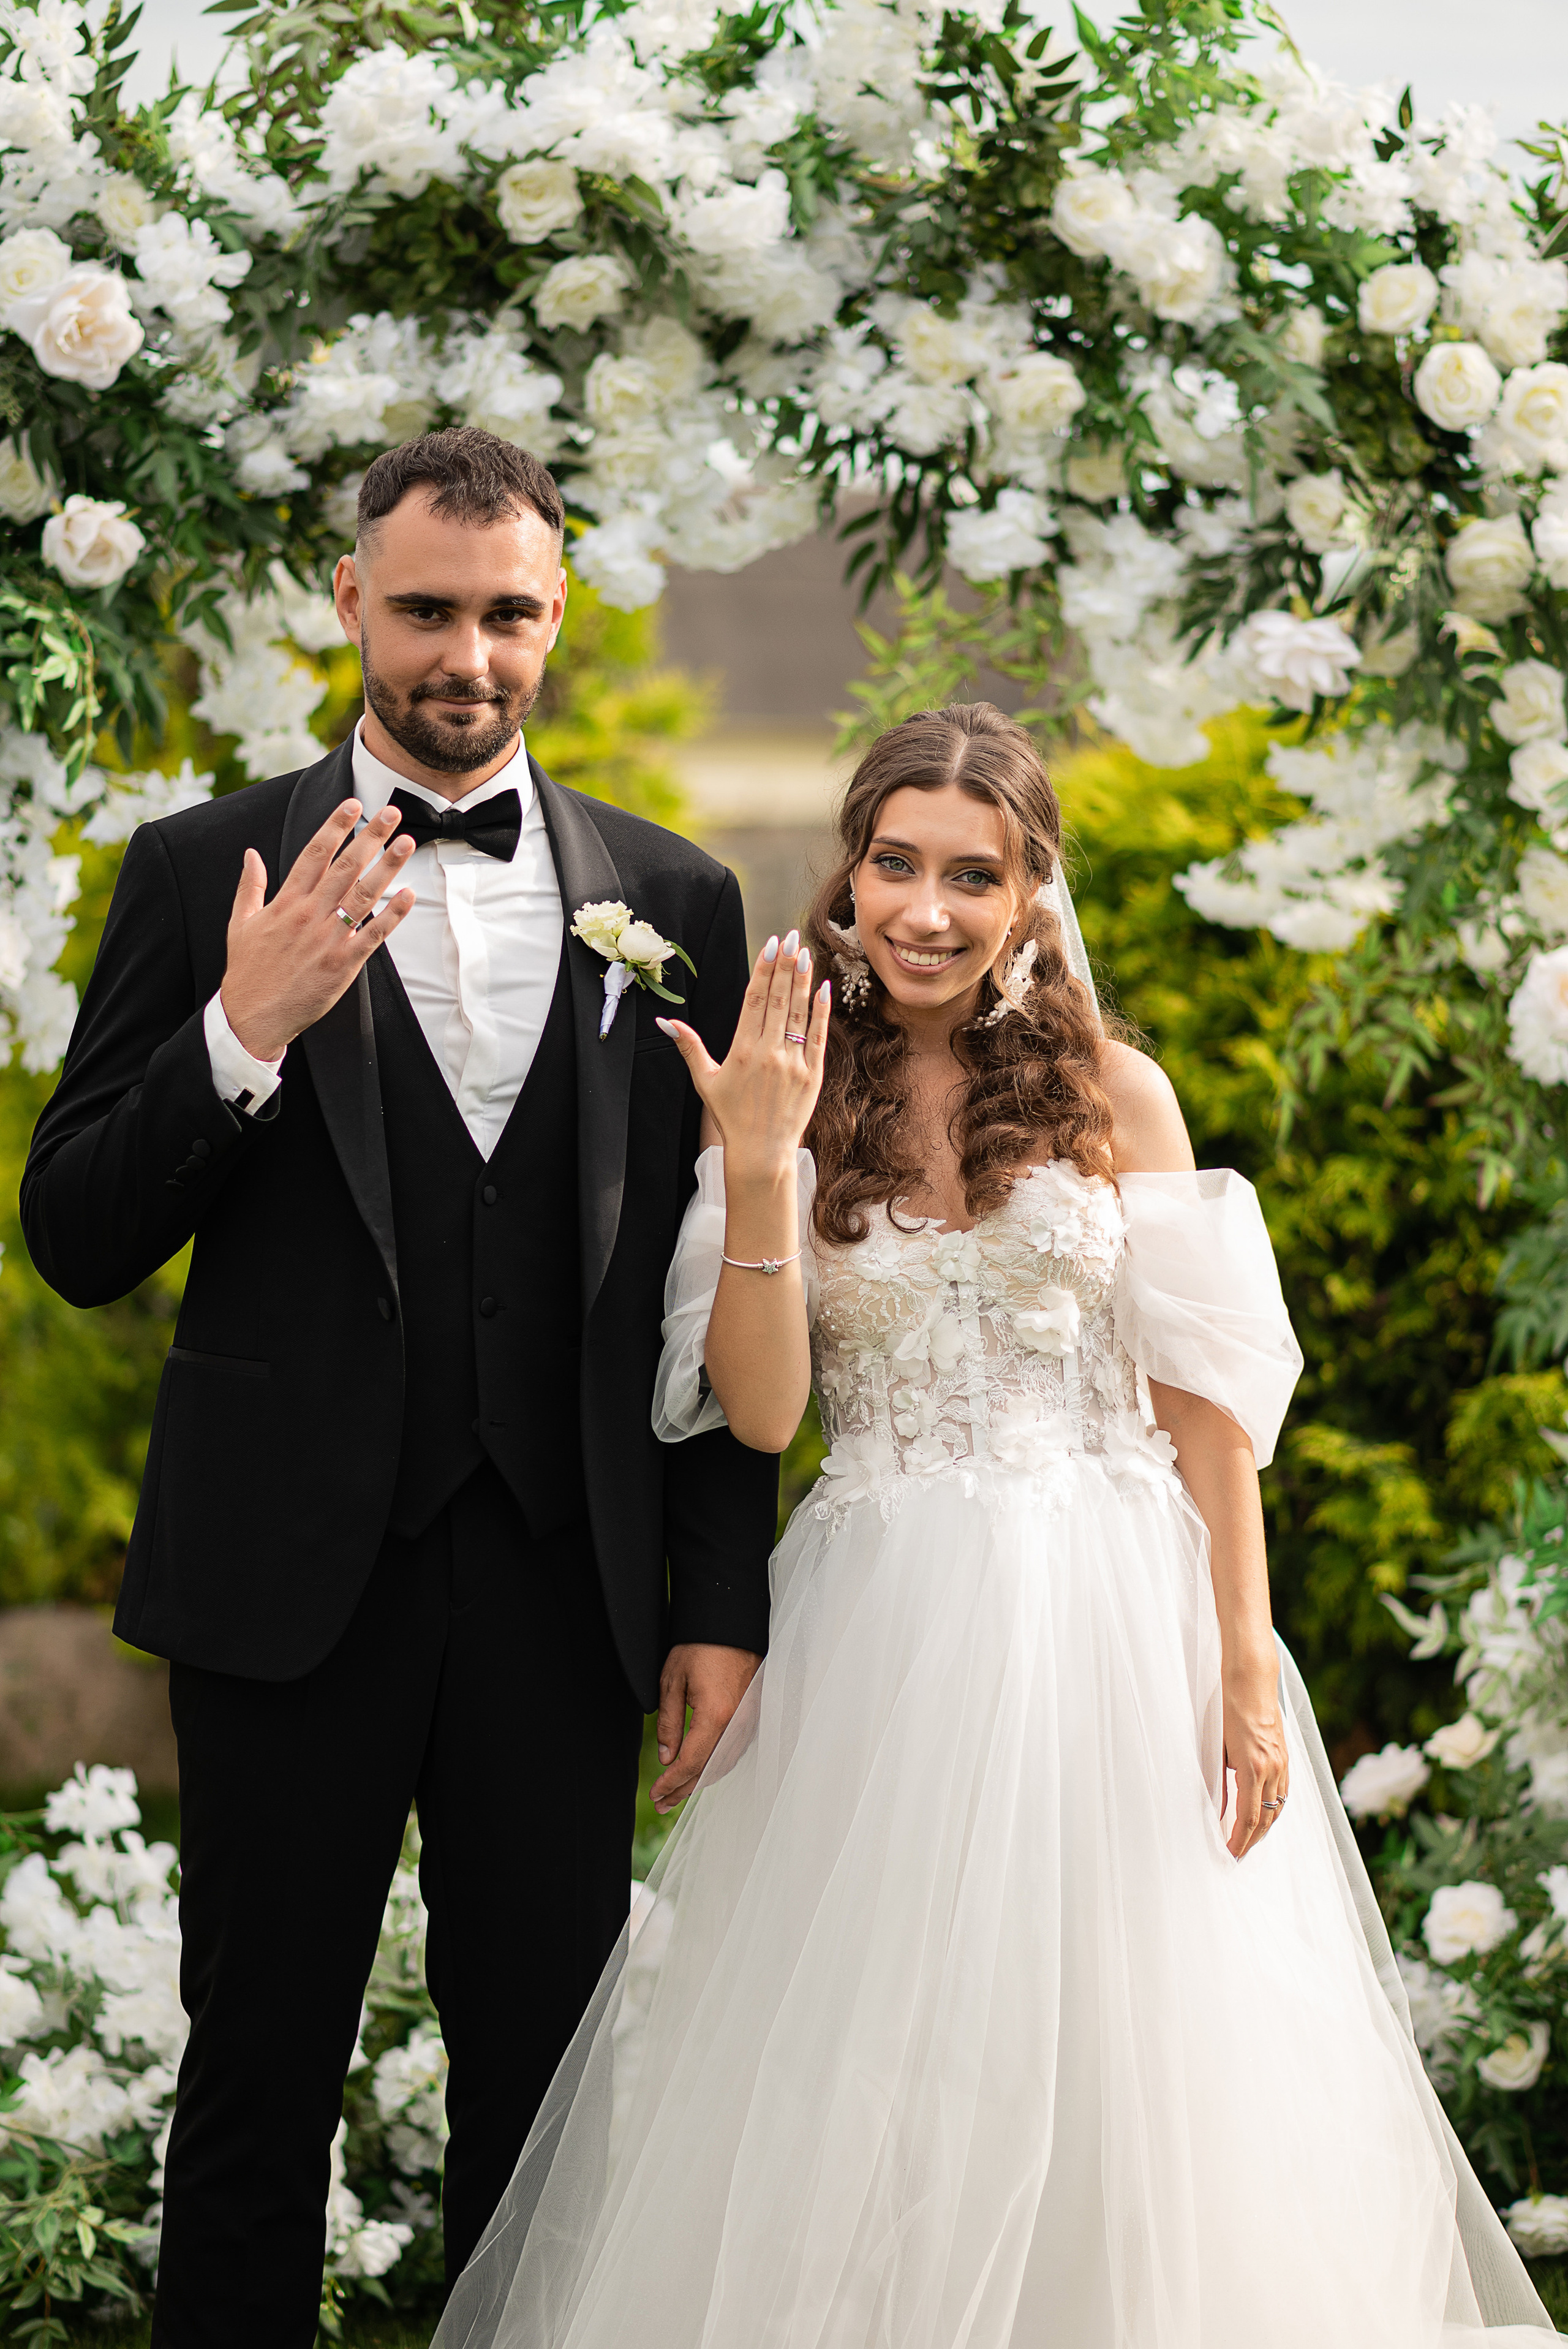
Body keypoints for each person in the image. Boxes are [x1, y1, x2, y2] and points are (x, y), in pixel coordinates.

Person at [434, 702, 1561, 2349]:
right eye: (896, 863)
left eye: (976, 872)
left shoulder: (1120, 1093)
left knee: (1144, 2037)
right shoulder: (794, 1090)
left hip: (1119, 1616)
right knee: (891, 2043)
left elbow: (1206, 1408)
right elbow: (757, 1411)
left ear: (1034, 890)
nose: (928, 909)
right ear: (851, 872)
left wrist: (1245, 1655)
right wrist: (755, 1166)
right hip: (888, 1622)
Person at [19, 426, 778, 2348]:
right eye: (427, 607)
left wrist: (723, 1599)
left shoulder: (676, 893)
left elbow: (709, 1286)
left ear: (559, 615)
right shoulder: (202, 869)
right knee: (257, 2084)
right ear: (350, 602)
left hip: (562, 1583)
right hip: (285, 1589)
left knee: (548, 2109)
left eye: (509, 611)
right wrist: (237, 1025)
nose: (470, 652)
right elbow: (75, 1231)